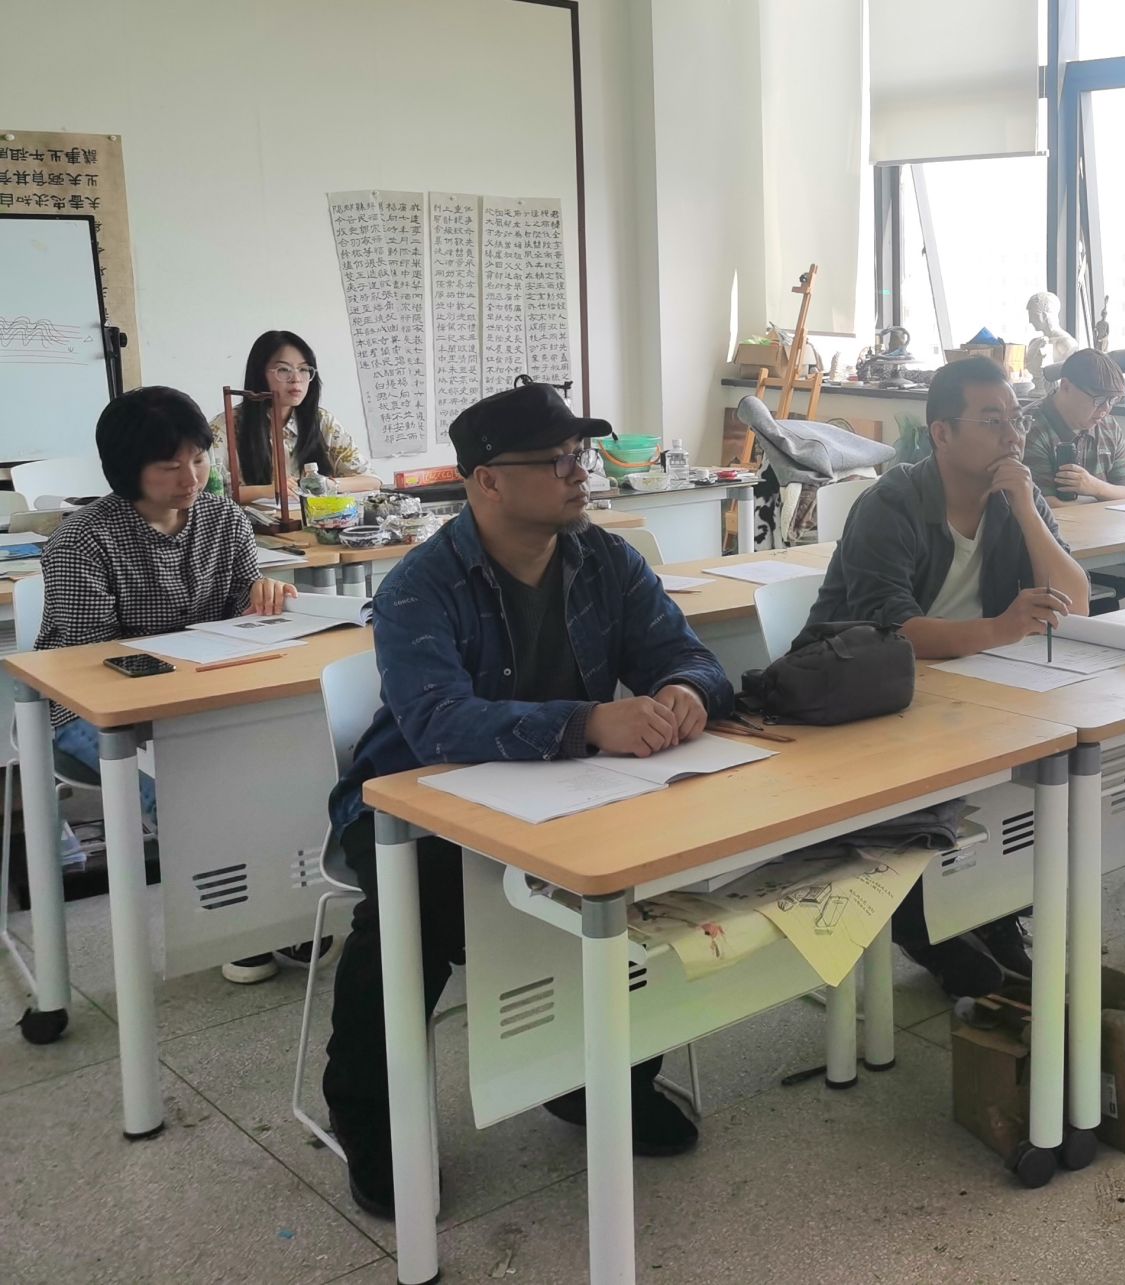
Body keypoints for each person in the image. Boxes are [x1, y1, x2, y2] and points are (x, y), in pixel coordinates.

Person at [321, 381, 733, 1220]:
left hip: (563, 789)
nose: (579, 473)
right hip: (414, 802)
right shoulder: (419, 586)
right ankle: (371, 1114)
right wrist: (589, 721)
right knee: (417, 912)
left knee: (629, 883)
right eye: (555, 460)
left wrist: (686, 690)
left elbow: (687, 653)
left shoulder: (606, 560)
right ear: (487, 481)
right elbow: (438, 723)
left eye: (578, 455)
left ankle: (599, 1079)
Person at [808, 355, 1090, 997]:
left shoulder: (1015, 496)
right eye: (992, 421)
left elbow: (1075, 600)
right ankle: (921, 929)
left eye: (1016, 420)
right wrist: (1001, 629)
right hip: (867, 689)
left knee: (1040, 769)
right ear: (942, 433)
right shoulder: (892, 504)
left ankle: (993, 912)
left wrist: (1026, 509)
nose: (1012, 436)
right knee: (931, 787)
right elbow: (890, 630)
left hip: (970, 685)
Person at [35, 387, 307, 985]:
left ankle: (289, 906)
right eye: (168, 466)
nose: (190, 478)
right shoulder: (82, 540)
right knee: (188, 790)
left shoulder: (224, 519)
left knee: (293, 758)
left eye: (199, 459)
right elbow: (93, 661)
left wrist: (265, 600)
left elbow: (241, 613)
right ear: (127, 470)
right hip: (93, 713)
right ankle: (239, 924)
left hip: (204, 696)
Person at [208, 330, 383, 505]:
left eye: (304, 369)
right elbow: (207, 493)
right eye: (283, 370)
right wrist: (268, 490)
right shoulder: (226, 426)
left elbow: (371, 480)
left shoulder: (322, 421)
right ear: (259, 373)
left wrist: (326, 484)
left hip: (316, 519)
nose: (296, 379)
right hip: (252, 522)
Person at [1021, 348, 1125, 506]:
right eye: (1098, 399)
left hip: (1102, 521)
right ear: (1066, 387)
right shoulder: (1029, 428)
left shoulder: (1109, 426)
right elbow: (1042, 505)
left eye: (1112, 400)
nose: (1105, 409)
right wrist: (1105, 498)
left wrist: (1094, 487)